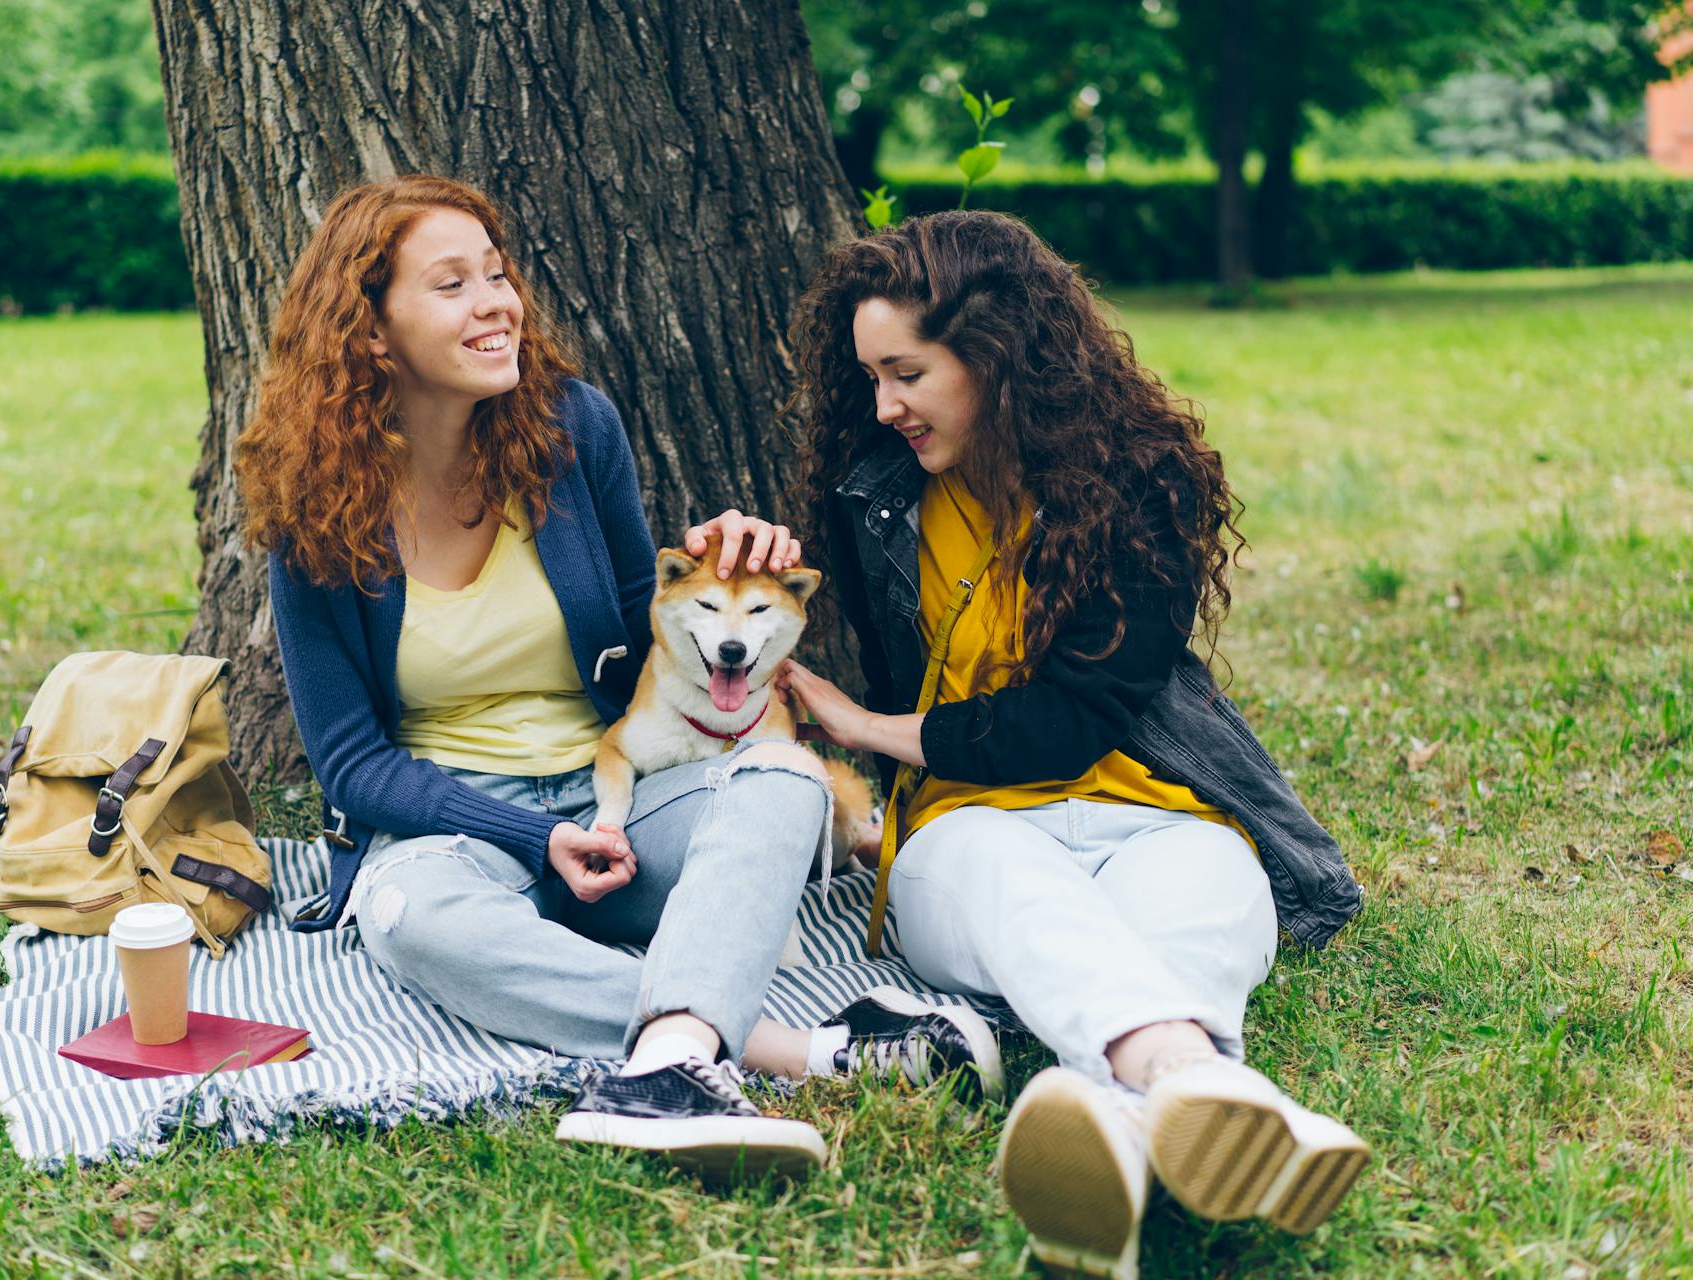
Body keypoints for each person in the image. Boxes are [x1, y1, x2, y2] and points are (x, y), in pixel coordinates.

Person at [233, 176, 1000, 1177]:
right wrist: (535, 835)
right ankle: (794, 1049)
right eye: (452, 284)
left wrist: (718, 572)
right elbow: (350, 766)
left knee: (784, 781)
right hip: (459, 831)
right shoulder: (314, 509)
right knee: (402, 915)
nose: (497, 303)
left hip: (626, 803)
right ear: (372, 332)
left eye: (497, 275)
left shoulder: (570, 430)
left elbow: (645, 631)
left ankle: (674, 1062)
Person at [776, 210, 1369, 1270]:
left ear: (994, 354)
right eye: (870, 377)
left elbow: (1069, 720)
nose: (883, 405)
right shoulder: (874, 492)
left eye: (906, 372)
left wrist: (871, 728)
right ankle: (1210, 1089)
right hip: (967, 829)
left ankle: (1125, 1135)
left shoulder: (1140, 479)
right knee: (1013, 876)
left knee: (1200, 892)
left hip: (1158, 810)